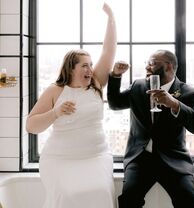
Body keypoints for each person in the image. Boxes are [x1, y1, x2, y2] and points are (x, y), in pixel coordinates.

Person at [26, 3, 117, 208]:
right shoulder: (54, 91)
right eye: (85, 65)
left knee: (102, 193)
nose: (90, 69)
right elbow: (31, 126)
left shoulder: (95, 84)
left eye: (91, 65)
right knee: (67, 196)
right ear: (71, 68)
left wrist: (111, 18)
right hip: (61, 159)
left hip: (96, 156)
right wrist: (55, 112)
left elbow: (108, 51)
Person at [107, 49, 194, 208]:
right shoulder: (138, 86)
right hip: (140, 158)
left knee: (187, 201)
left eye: (152, 64)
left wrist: (174, 103)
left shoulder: (188, 93)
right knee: (128, 200)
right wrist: (116, 76)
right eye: (146, 63)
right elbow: (115, 104)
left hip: (174, 159)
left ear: (168, 67)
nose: (147, 67)